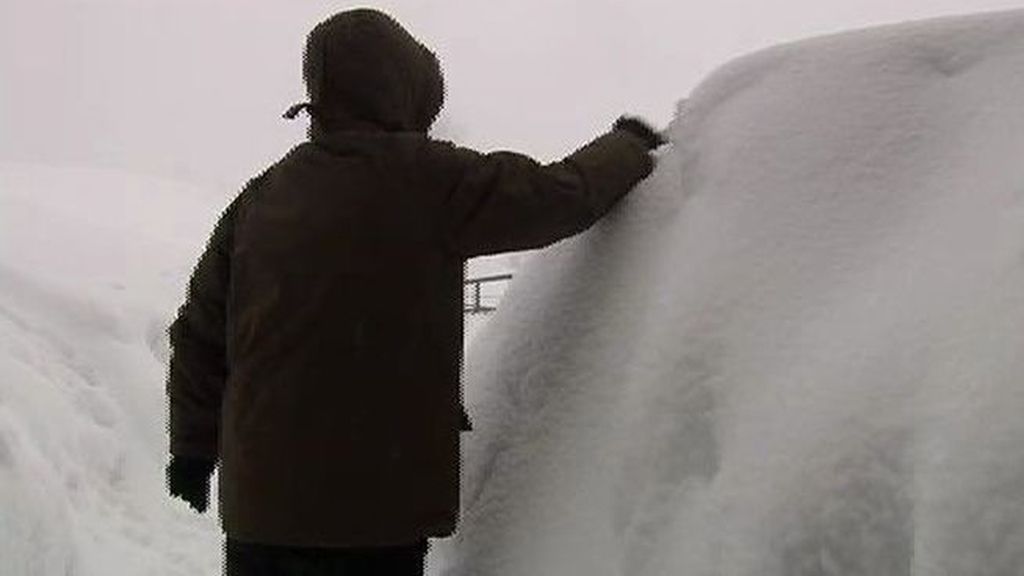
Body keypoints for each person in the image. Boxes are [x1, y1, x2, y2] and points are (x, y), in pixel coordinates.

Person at [165, 7, 665, 576]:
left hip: (264, 507)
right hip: (378, 508)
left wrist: (192, 448)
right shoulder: (430, 179)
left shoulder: (259, 201)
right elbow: (559, 197)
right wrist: (628, 145)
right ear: (407, 87)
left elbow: (200, 337)